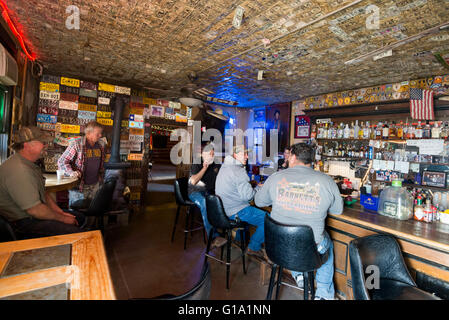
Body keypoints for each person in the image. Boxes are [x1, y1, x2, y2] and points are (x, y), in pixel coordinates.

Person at [254, 143, 343, 300]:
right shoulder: (327, 181)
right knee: (327, 243)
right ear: (311, 160)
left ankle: (299, 274)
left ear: (293, 157)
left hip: (277, 247)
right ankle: (323, 294)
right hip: (309, 251)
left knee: (297, 237)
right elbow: (337, 211)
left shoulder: (276, 177)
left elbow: (259, 202)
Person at [0, 126, 86, 238]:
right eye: (42, 142)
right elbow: (35, 210)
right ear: (27, 145)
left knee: (79, 217)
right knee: (79, 236)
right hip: (21, 224)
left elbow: (43, 194)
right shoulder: (20, 170)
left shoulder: (28, 164)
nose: (46, 145)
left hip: (31, 216)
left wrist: (60, 212)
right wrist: (64, 219)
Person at [215, 145, 267, 259]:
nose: (247, 156)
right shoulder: (238, 171)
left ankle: (239, 239)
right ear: (235, 155)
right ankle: (253, 247)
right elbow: (248, 197)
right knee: (268, 220)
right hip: (235, 212)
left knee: (248, 209)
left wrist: (252, 186)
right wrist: (259, 188)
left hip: (222, 211)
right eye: (244, 154)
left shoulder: (224, 167)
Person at [58, 121, 105, 207]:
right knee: (78, 215)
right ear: (89, 133)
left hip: (96, 185)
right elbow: (62, 161)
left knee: (92, 214)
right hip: (79, 187)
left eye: (100, 133)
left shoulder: (100, 145)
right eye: (98, 134)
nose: (100, 136)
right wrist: (71, 172)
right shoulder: (77, 144)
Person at [188, 142, 224, 247]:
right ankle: (213, 237)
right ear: (203, 154)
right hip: (195, 192)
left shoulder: (216, 164)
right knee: (205, 203)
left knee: (224, 200)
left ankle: (228, 231)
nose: (211, 156)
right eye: (209, 154)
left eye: (213, 154)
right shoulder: (197, 163)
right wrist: (204, 168)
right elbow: (193, 181)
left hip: (210, 192)